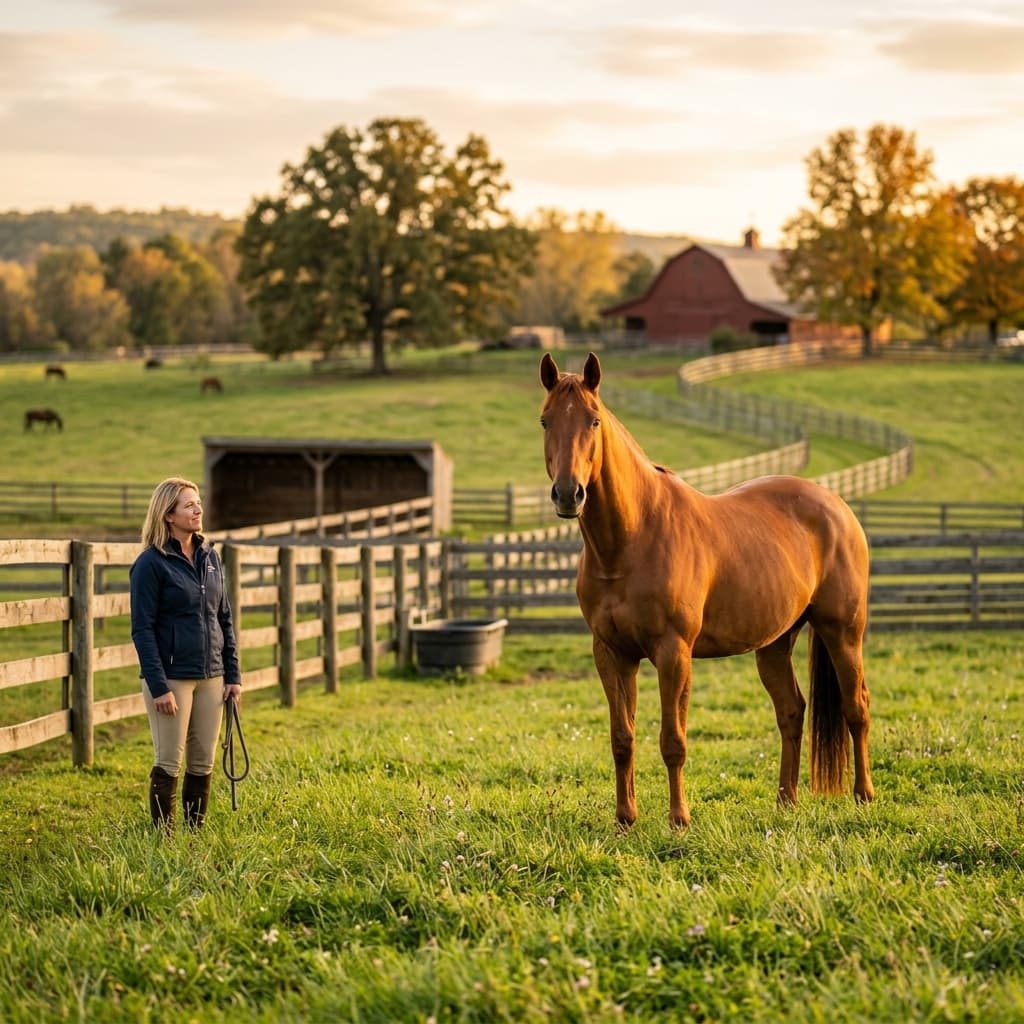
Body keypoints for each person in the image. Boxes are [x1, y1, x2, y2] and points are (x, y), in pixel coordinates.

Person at [130, 477, 242, 833]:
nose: (198, 509)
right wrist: (159, 685)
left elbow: (224, 617)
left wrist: (233, 675)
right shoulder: (151, 564)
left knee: (203, 760)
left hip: (212, 676)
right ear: (168, 515)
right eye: (189, 505)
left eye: (198, 502)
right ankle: (164, 838)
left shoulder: (211, 557)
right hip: (172, 678)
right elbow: (142, 629)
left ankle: (194, 835)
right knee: (169, 760)